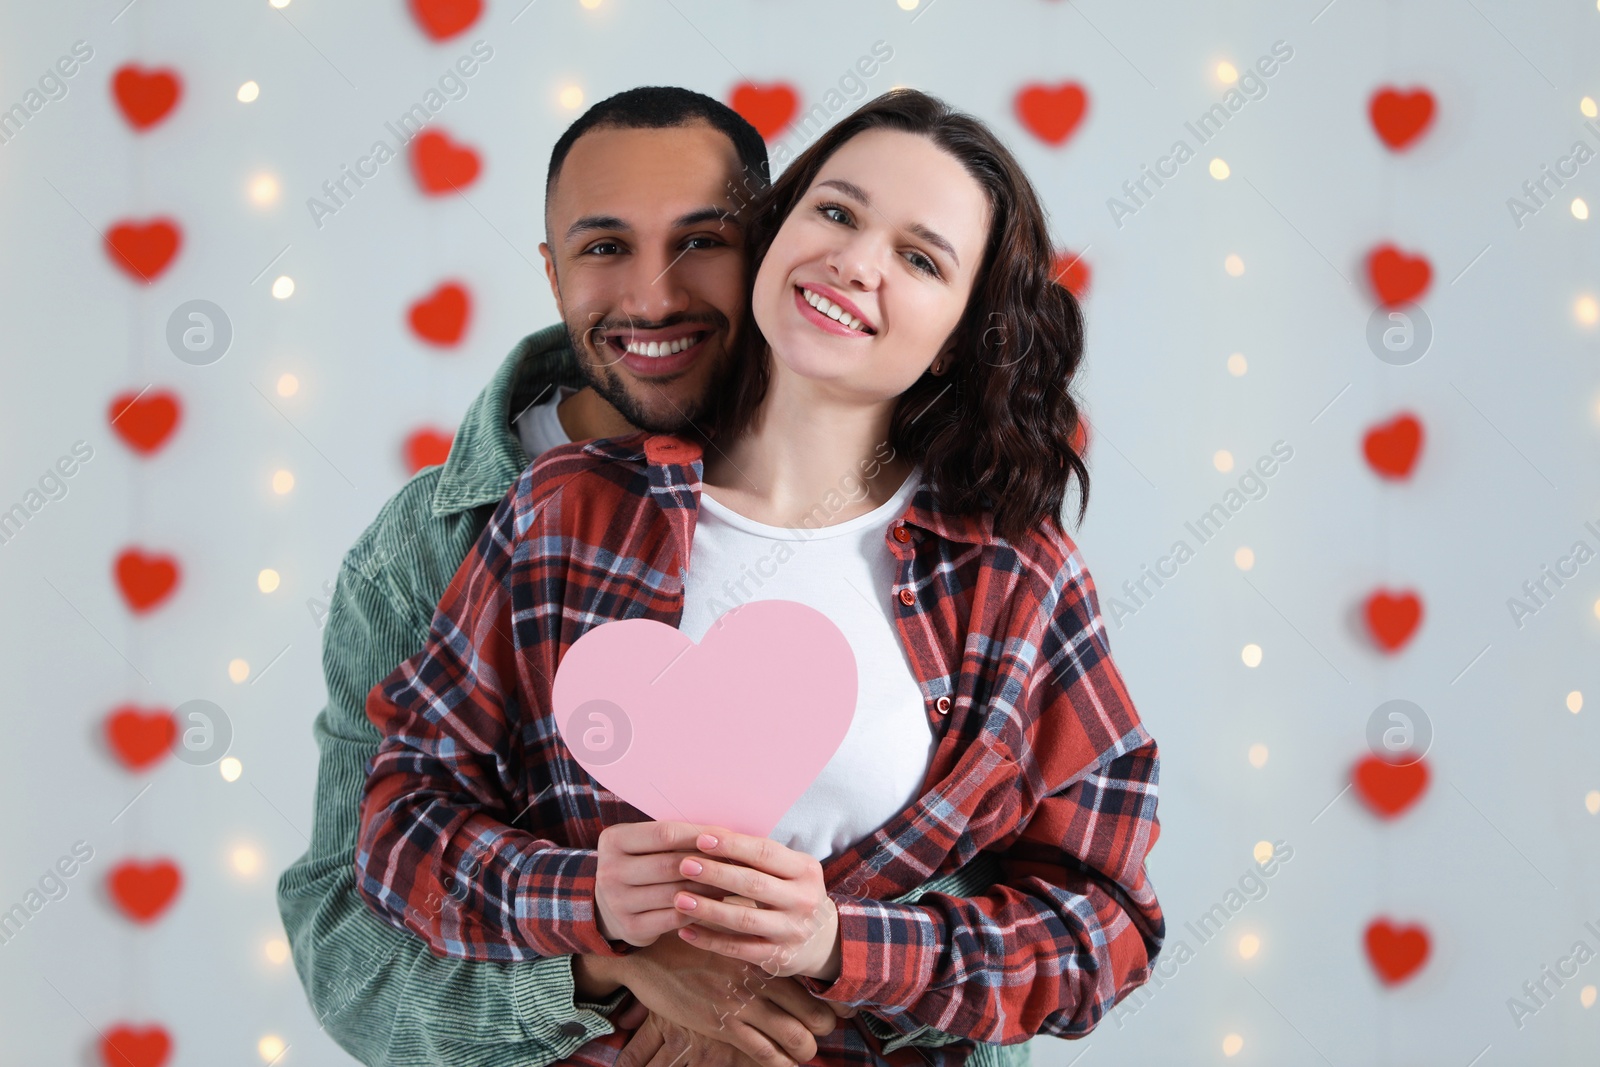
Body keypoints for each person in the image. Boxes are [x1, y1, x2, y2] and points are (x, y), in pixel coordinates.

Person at [353, 89, 1165, 1067]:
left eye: (919, 256)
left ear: (957, 328)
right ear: (776, 235)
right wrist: (592, 907)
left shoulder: (1015, 576)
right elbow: (403, 817)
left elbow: (1103, 924)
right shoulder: (569, 507)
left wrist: (837, 943)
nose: (855, 261)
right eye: (836, 211)